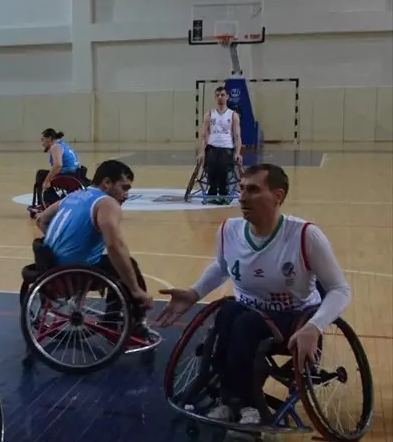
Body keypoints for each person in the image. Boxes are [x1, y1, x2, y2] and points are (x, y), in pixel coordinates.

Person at [157, 164, 351, 425]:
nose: (243, 197)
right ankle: (231, 398)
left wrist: (314, 327)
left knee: (245, 324)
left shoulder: (305, 235)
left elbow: (340, 289)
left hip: (294, 318)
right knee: (228, 314)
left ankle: (246, 404)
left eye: (253, 190)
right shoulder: (229, 230)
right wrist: (195, 292)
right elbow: (222, 267)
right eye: (242, 189)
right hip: (248, 311)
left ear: (277, 196)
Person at [33, 159, 157, 343]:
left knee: (114, 264)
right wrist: (135, 289)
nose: (126, 195)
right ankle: (129, 325)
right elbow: (115, 247)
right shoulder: (107, 203)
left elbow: (41, 219)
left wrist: (64, 240)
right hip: (75, 274)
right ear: (107, 183)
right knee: (126, 265)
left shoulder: (73, 196)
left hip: (50, 268)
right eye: (124, 188)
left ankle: (117, 319)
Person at [198, 85, 243, 204]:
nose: (220, 97)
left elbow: (237, 136)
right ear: (215, 97)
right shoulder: (209, 114)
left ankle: (224, 193)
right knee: (211, 167)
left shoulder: (233, 115)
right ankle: (212, 193)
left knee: (223, 168)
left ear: (227, 97)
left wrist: (238, 153)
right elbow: (203, 135)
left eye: (222, 95)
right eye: (217, 95)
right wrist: (201, 152)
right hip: (212, 146)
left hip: (227, 148)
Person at [30, 128, 83, 214]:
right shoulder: (62, 143)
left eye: (43, 140)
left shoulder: (55, 146)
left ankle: (43, 204)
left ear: (50, 138)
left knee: (41, 175)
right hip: (75, 173)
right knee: (44, 174)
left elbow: (58, 165)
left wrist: (47, 181)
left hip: (68, 175)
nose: (42, 144)